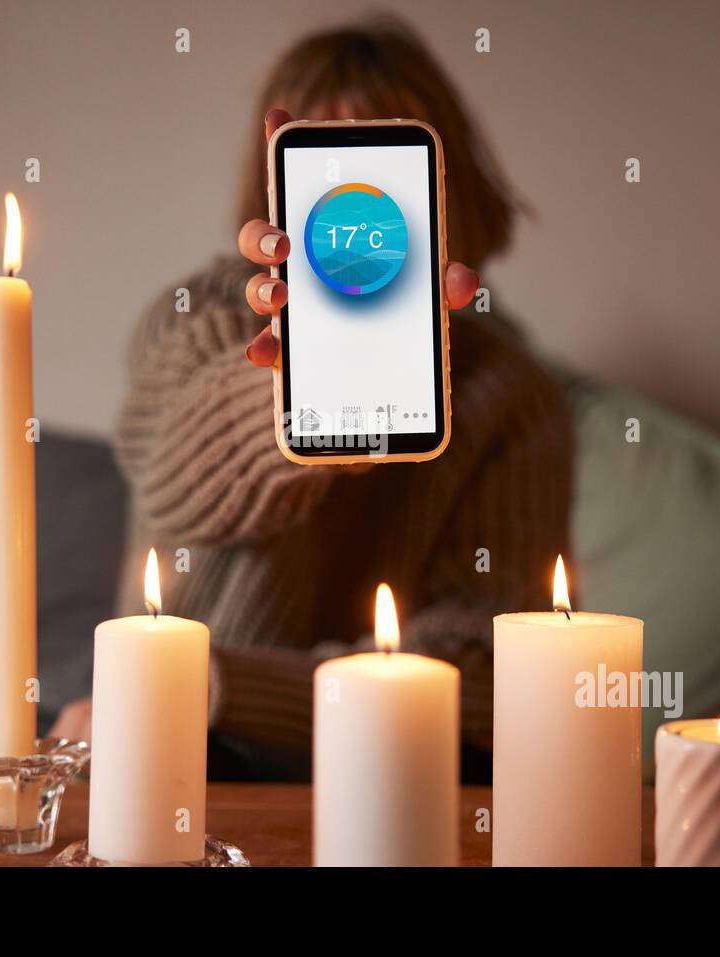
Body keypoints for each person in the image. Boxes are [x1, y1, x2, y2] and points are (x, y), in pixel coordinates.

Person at [51, 18, 572, 779]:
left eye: (382, 176)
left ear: (446, 184)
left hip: (378, 768)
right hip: (154, 753)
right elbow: (172, 473)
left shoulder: (514, 397)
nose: (354, 224)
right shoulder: (191, 319)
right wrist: (299, 389)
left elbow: (484, 667)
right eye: (325, 175)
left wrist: (220, 687)